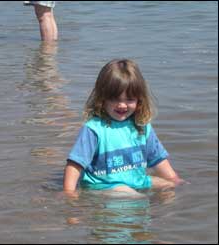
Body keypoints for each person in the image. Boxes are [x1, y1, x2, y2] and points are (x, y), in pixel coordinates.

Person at [63, 59, 188, 197]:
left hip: (137, 181)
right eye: (115, 99)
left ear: (139, 100)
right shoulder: (94, 129)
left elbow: (158, 159)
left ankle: (163, 217)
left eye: (129, 99)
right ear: (102, 99)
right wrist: (69, 192)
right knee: (133, 196)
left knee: (170, 187)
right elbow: (75, 164)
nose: (122, 105)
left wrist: (173, 179)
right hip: (104, 186)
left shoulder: (142, 126)